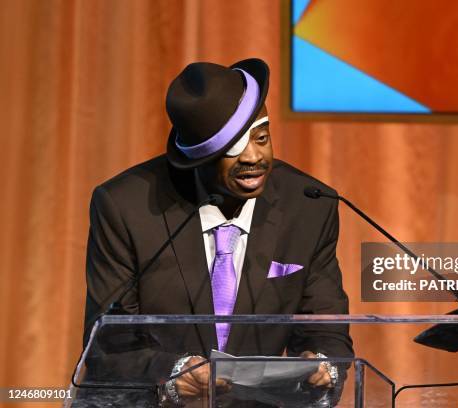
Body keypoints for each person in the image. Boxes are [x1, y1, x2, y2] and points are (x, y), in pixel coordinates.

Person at [83, 58, 353, 406]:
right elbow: (109, 343)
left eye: (262, 137)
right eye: (236, 147)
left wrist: (322, 364)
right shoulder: (127, 207)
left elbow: (325, 327)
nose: (255, 157)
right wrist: (174, 372)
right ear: (200, 157)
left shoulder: (308, 205)